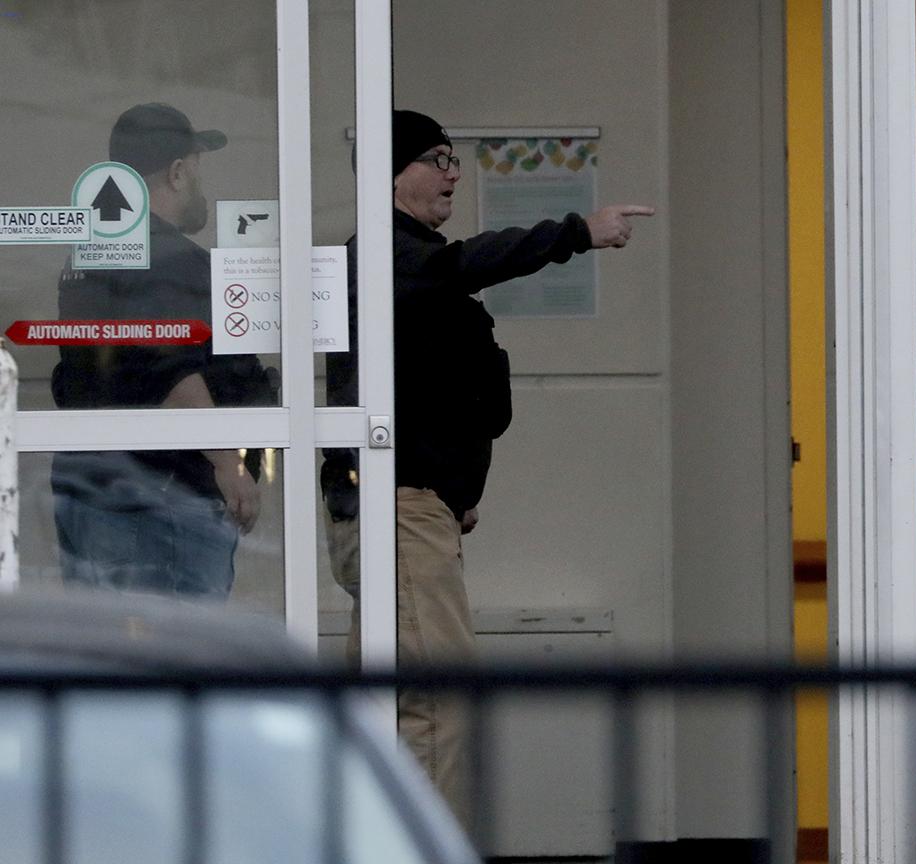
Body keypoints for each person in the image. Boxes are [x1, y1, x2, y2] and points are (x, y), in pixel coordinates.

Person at [320, 109, 653, 829]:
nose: (453, 172)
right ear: (392, 172)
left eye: (453, 158)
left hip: (412, 510)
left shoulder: (408, 267)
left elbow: (432, 394)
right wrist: (575, 233)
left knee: (392, 705)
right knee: (434, 703)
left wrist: (453, 489)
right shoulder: (387, 257)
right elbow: (468, 262)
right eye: (437, 158)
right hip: (396, 514)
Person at [51, 103, 276, 599]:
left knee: (113, 663)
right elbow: (166, 361)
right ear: (177, 172)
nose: (199, 184)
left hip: (98, 493)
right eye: (197, 169)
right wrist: (228, 463)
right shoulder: (162, 251)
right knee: (171, 662)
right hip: (161, 501)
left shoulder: (92, 251)